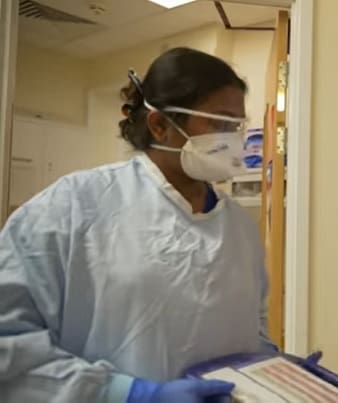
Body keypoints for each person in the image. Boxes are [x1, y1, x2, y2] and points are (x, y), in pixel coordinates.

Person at [0, 47, 278, 402]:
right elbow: (8, 342)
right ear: (160, 125)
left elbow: (253, 325)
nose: (235, 140)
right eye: (220, 124)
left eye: (237, 126)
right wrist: (129, 395)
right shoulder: (73, 205)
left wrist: (274, 371)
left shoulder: (239, 225)